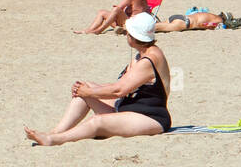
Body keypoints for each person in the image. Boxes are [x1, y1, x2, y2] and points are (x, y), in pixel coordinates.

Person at [25, 13, 171, 145]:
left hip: (150, 117)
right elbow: (119, 85)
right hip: (129, 107)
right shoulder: (141, 53)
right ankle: (55, 132)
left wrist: (88, 93)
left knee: (97, 121)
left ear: (133, 36)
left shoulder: (149, 59)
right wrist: (87, 90)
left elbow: (118, 90)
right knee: (84, 86)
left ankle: (54, 140)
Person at [153, 9, 225, 32]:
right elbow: (204, 24)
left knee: (157, 26)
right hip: (185, 23)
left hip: (179, 17)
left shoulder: (210, 15)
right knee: (154, 28)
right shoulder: (218, 20)